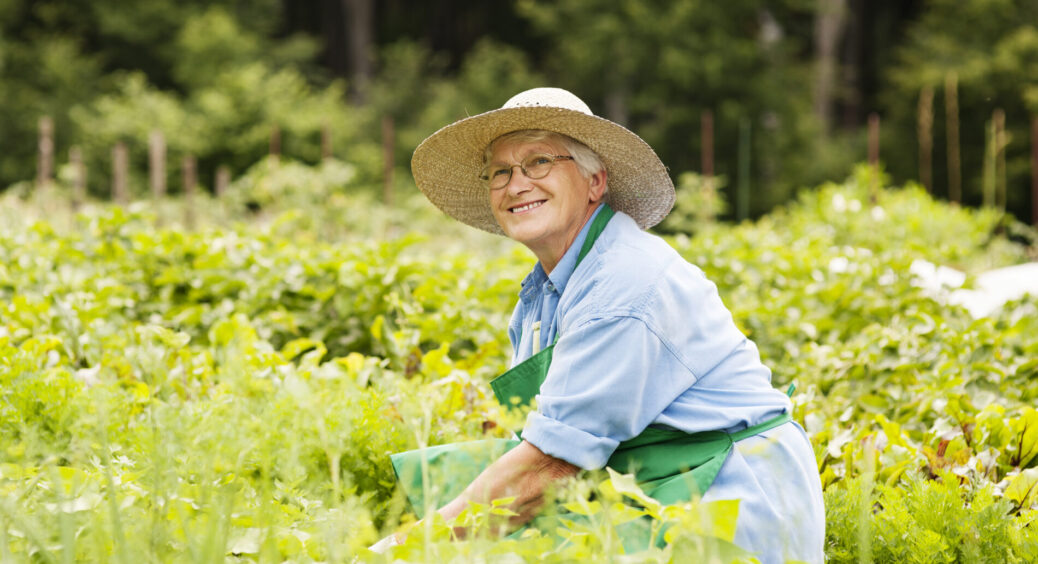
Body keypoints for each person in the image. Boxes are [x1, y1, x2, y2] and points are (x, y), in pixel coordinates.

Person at [376, 87, 824, 562]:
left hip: (732, 500)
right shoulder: (543, 292)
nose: (516, 184)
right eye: (501, 171)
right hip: (652, 476)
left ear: (595, 182)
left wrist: (396, 551)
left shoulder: (623, 281)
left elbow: (549, 467)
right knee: (455, 474)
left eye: (539, 162)